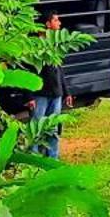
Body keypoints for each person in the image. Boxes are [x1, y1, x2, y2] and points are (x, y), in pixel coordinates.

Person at [29, 13, 74, 159]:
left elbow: (59, 70)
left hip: (56, 94)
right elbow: (29, 71)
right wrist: (29, 96)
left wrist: (66, 92)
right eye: (56, 20)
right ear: (47, 24)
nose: (59, 23)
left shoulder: (55, 45)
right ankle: (32, 159)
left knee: (53, 128)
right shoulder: (35, 45)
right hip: (40, 94)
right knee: (36, 128)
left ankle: (52, 158)